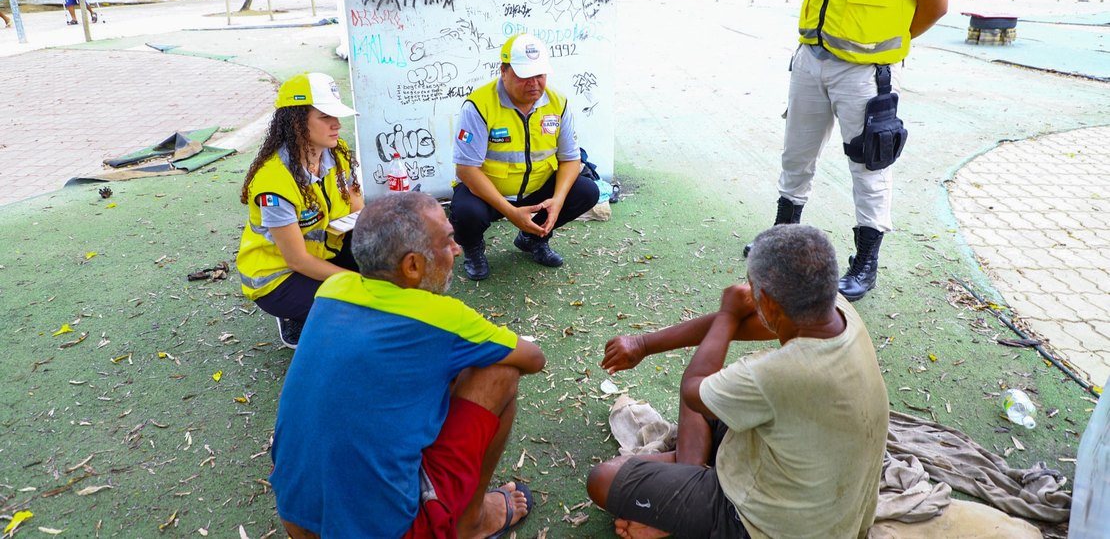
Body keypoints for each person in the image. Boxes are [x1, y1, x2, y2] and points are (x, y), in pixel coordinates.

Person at [270, 191, 545, 538]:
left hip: (297, 517)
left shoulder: (333, 287)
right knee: (499, 371)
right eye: (447, 241)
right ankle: (471, 522)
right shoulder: (442, 317)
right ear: (412, 265)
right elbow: (534, 359)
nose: (457, 249)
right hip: (389, 530)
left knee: (439, 368)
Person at [588, 225, 889, 539]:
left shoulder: (774, 374)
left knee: (603, 478)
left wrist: (728, 313)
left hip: (772, 526)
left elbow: (694, 389)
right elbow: (735, 328)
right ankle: (686, 487)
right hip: (824, 496)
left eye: (752, 290)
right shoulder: (834, 309)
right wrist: (643, 344)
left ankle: (679, 509)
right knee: (711, 388)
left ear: (770, 303)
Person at [751, 0, 948, 302]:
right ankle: (780, 244)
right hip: (810, 58)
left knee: (869, 166)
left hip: (864, 73)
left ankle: (866, 264)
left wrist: (883, 45)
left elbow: (935, 4)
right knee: (796, 154)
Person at [451, 33, 600, 280]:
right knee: (466, 212)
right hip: (490, 194)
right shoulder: (478, 105)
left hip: (537, 188)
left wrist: (558, 200)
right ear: (504, 71)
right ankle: (474, 249)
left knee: (586, 191)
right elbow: (466, 170)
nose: (534, 83)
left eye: (540, 75)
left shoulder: (557, 103)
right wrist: (510, 212)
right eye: (524, 75)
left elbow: (570, 158)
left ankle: (532, 239)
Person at [237, 72, 362, 348]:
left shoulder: (336, 150)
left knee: (382, 255)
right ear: (295, 122)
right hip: (279, 276)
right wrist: (360, 282)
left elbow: (357, 208)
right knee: (354, 312)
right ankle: (293, 312)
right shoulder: (273, 183)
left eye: (336, 116)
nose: (337, 125)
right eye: (325, 116)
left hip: (324, 251)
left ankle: (314, 305)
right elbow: (297, 261)